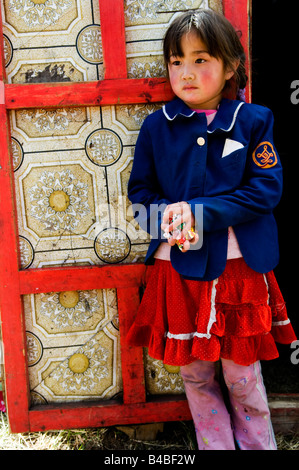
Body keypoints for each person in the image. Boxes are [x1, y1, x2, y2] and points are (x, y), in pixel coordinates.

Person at [126, 9, 297, 450]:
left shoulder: (254, 120)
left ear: (231, 66)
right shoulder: (156, 128)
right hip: (180, 270)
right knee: (196, 373)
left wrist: (201, 211)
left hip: (241, 269)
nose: (186, 72)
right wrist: (167, 216)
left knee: (242, 372)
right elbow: (141, 195)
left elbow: (265, 191)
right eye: (176, 61)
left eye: (200, 59)